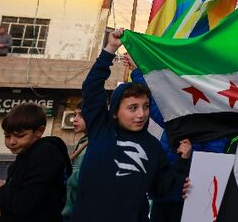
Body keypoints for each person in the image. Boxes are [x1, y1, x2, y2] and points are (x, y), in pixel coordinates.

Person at [70, 28, 192, 222]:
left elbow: (163, 188)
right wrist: (110, 49)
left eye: (145, 107)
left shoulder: (153, 147)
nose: (141, 114)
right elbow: (92, 87)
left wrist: (182, 162)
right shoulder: (102, 130)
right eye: (132, 108)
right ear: (116, 112)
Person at [124, 55, 227, 222]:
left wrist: (191, 157)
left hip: (191, 198)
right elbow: (155, 102)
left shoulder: (216, 124)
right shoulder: (175, 118)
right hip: (163, 194)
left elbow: (213, 160)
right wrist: (137, 71)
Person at [0, 103, 71, 221]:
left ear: (39, 131)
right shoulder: (21, 159)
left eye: (19, 136)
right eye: (7, 136)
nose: (11, 142)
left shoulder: (46, 154)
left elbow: (25, 204)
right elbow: (14, 209)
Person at [62, 104, 88, 222]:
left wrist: (64, 174)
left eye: (81, 115)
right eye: (75, 115)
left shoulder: (96, 144)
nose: (75, 119)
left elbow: (85, 178)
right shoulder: (84, 141)